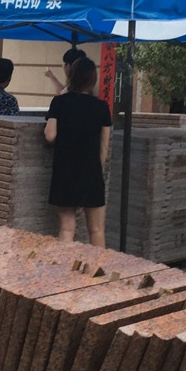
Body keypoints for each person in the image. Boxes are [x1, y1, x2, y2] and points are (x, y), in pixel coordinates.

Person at [44, 56, 112, 247]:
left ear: (72, 76)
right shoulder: (102, 107)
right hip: (91, 172)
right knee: (96, 229)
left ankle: (65, 265)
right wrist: (96, 171)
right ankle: (98, 266)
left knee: (66, 228)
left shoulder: (59, 103)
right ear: (92, 80)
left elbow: (50, 135)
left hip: (64, 170)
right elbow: (104, 147)